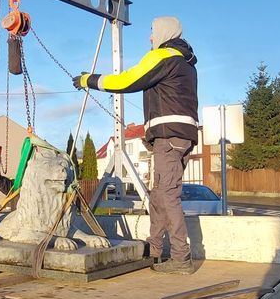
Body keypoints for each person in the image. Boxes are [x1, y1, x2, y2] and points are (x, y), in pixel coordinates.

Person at [75, 16, 199, 274]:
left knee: (167, 195)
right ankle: (154, 250)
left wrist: (90, 80)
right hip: (182, 136)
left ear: (164, 33)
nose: (150, 38)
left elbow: (126, 80)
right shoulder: (187, 64)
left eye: (152, 32)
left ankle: (181, 258)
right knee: (158, 196)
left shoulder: (163, 56)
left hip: (169, 136)